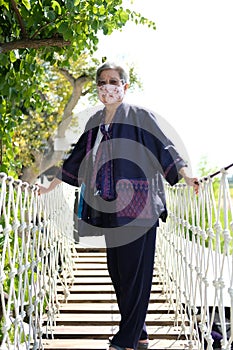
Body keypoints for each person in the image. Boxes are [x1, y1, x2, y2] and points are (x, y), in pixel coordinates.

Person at [38, 62, 199, 350]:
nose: (106, 87)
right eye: (102, 82)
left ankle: (125, 340)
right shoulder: (94, 123)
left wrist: (186, 175)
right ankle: (140, 332)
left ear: (125, 86)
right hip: (109, 208)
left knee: (135, 273)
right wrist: (48, 186)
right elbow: (75, 160)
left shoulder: (141, 117)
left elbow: (166, 149)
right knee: (118, 272)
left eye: (113, 81)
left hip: (141, 207)